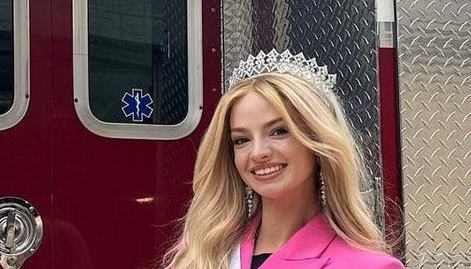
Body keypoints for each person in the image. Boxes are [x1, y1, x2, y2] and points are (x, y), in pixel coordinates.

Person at [163, 50, 404, 269]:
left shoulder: (367, 266)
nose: (258, 153)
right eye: (241, 140)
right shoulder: (201, 251)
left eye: (279, 131)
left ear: (317, 138)